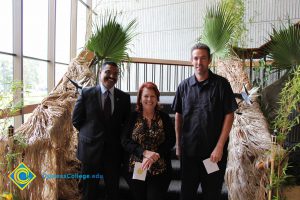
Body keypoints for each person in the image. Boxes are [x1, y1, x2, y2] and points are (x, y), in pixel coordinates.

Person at [172, 43, 238, 200]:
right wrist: (178, 144)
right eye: (195, 58)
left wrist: (220, 146)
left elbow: (229, 115)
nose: (199, 62)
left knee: (212, 194)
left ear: (209, 60)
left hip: (213, 155)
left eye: (203, 58)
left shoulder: (222, 85)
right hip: (189, 154)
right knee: (186, 194)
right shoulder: (183, 86)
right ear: (191, 60)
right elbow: (178, 116)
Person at [72, 61, 131, 200]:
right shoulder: (87, 93)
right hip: (90, 153)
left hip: (113, 154)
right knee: (89, 192)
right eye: (108, 72)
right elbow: (76, 120)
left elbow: (126, 125)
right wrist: (90, 134)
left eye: (115, 74)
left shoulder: (124, 98)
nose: (112, 76)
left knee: (113, 192)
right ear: (100, 74)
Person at [121, 82, 175, 200]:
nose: (149, 99)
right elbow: (125, 141)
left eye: (152, 96)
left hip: (159, 168)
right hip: (136, 167)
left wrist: (156, 154)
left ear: (157, 98)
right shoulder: (132, 117)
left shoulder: (164, 118)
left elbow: (171, 140)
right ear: (140, 98)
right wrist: (144, 153)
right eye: (146, 96)